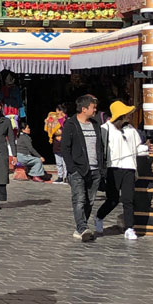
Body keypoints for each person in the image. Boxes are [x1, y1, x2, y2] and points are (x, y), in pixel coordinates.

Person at [97, 101, 147, 239]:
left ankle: (129, 228)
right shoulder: (105, 129)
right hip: (113, 168)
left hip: (129, 167)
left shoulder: (131, 130)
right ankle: (99, 217)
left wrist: (147, 148)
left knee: (128, 199)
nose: (129, 117)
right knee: (112, 199)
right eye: (127, 115)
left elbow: (137, 148)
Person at [61, 94, 106, 241]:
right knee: (79, 199)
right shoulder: (71, 125)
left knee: (90, 200)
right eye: (93, 107)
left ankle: (81, 226)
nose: (95, 110)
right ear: (84, 109)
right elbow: (65, 148)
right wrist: (72, 168)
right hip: (78, 170)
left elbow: (100, 147)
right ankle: (82, 228)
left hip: (95, 170)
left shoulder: (95, 125)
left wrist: (102, 167)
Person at [45, 104, 69, 183]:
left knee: (65, 161)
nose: (57, 113)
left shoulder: (67, 120)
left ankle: (66, 177)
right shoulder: (53, 119)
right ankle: (60, 176)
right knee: (58, 161)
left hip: (64, 141)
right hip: (56, 141)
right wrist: (48, 122)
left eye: (58, 111)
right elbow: (49, 128)